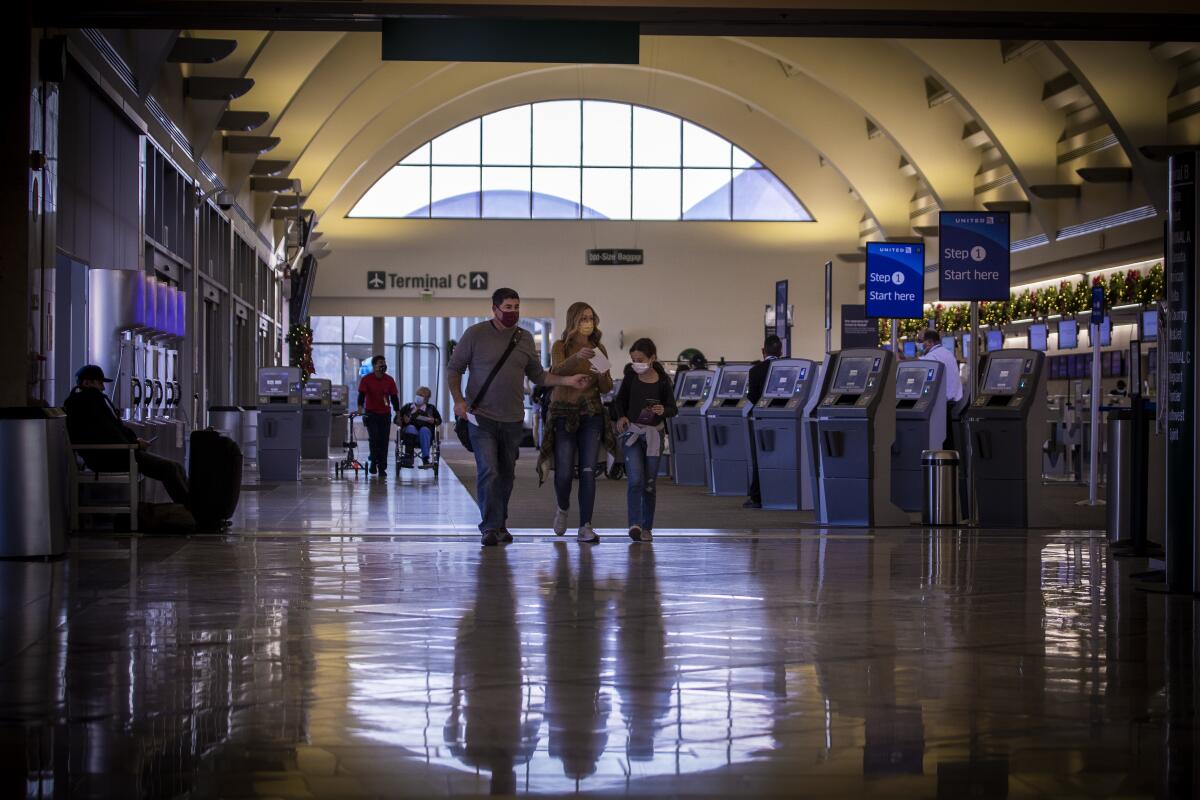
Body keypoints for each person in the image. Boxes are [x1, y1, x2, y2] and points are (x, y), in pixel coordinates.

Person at [448, 288, 590, 546]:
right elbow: (454, 369)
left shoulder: (524, 338)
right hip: (481, 417)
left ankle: (500, 522)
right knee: (488, 470)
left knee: (506, 474)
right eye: (508, 308)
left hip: (512, 419)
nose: (513, 312)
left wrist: (568, 379)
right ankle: (490, 527)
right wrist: (459, 400)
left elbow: (539, 376)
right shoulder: (475, 335)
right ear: (495, 309)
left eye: (516, 307)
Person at [62, 364, 192, 517]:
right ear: (87, 383)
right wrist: (135, 445)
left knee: (176, 467)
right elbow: (108, 433)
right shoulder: (90, 402)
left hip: (116, 452)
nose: (103, 388)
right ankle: (192, 513)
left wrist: (134, 442)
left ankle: (191, 509)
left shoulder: (83, 402)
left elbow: (110, 431)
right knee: (170, 468)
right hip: (113, 456)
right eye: (99, 383)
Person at [537, 302, 613, 544]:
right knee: (565, 471)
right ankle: (562, 508)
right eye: (583, 318)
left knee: (589, 470)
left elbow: (607, 387)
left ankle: (585, 525)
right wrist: (576, 359)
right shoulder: (561, 346)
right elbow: (555, 370)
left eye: (591, 318)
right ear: (573, 321)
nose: (588, 323)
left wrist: (601, 374)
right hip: (563, 412)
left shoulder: (598, 348)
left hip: (591, 412)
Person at [613, 338, 678, 542]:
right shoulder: (631, 377)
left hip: (654, 435)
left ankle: (647, 527)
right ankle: (634, 524)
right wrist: (622, 417)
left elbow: (673, 408)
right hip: (633, 434)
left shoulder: (663, 381)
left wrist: (663, 410)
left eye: (640, 359)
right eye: (633, 360)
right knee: (635, 480)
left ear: (652, 358)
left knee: (649, 483)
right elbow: (619, 402)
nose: (636, 364)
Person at [743, 334, 783, 509]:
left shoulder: (755, 370)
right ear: (781, 351)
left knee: (759, 457)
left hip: (760, 419)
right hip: (784, 419)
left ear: (763, 350)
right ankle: (781, 492)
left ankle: (757, 496)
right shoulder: (786, 367)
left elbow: (752, 397)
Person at [916, 329, 963, 449]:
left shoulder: (932, 356)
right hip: (950, 402)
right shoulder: (947, 353)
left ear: (930, 342)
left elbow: (917, 367)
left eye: (920, 341)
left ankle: (943, 464)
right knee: (947, 438)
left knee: (940, 440)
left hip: (941, 405)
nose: (919, 344)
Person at [357, 355, 400, 478]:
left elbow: (394, 398)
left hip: (385, 414)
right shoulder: (366, 379)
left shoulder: (389, 380)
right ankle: (373, 463)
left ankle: (382, 467)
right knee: (374, 439)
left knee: (384, 441)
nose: (383, 365)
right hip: (371, 414)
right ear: (374, 366)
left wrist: (398, 413)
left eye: (384, 363)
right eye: (380, 363)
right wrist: (360, 408)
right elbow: (361, 395)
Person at [397, 386, 442, 467]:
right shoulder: (407, 407)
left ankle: (425, 459)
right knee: (411, 428)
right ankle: (409, 457)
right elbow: (396, 419)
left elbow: (439, 420)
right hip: (409, 435)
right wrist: (403, 420)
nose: (419, 397)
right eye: (418, 395)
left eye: (422, 396)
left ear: (427, 399)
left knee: (424, 429)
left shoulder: (431, 408)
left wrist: (433, 420)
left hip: (425, 435)